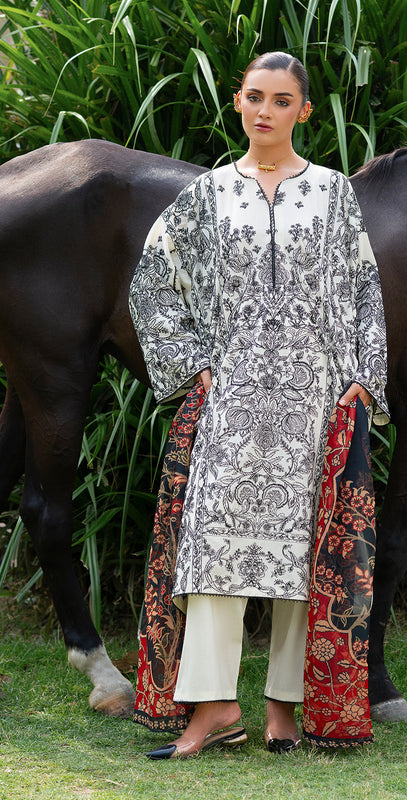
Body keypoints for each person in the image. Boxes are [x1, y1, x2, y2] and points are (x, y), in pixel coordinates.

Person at [129, 50, 389, 759]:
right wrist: (194, 365)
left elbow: (365, 286)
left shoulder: (334, 192)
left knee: (303, 557)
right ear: (238, 104)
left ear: (303, 111)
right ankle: (212, 708)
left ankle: (282, 710)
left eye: (280, 100)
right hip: (232, 399)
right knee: (213, 549)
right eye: (253, 97)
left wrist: (364, 376)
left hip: (315, 399)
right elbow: (150, 282)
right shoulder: (208, 193)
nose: (264, 110)